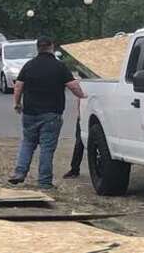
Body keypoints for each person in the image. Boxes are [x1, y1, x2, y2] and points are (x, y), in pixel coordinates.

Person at [8, 36, 86, 189]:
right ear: (52, 47)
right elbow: (73, 86)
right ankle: (44, 181)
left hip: (30, 112)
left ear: (37, 48)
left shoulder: (29, 65)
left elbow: (18, 86)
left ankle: (19, 173)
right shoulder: (59, 66)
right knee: (47, 148)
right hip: (51, 113)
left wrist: (17, 104)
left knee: (27, 143)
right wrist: (83, 96)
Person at [63, 99, 84, 179]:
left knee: (79, 143)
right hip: (83, 114)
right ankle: (74, 169)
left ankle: (74, 169)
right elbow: (80, 98)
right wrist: (79, 113)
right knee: (79, 143)